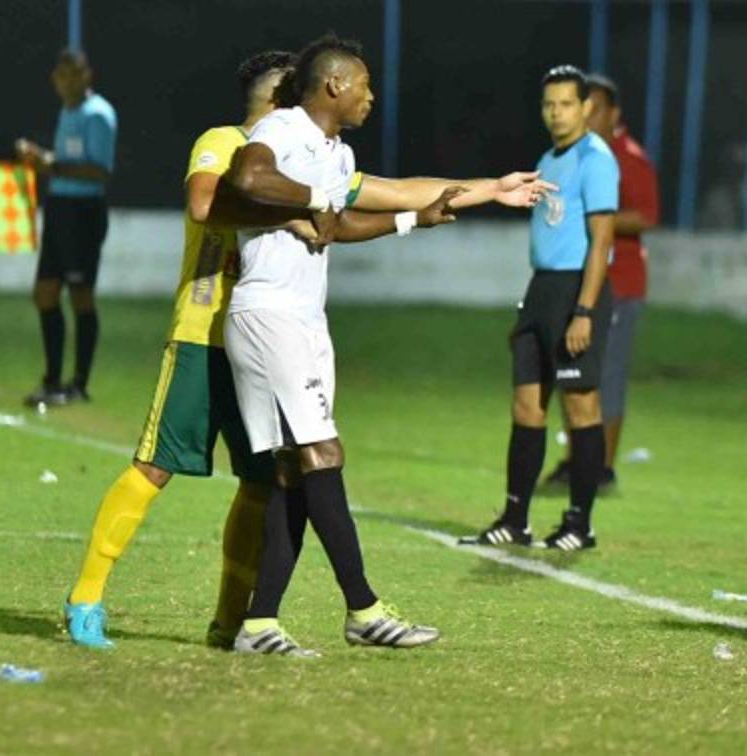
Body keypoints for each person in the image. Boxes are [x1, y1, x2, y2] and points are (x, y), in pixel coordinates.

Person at [222, 34, 553, 655]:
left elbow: (389, 197)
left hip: (302, 317)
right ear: (335, 86)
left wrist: (488, 190)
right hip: (269, 314)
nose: (373, 96)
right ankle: (363, 609)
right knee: (323, 453)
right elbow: (248, 177)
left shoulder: (334, 153)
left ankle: (259, 623)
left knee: (295, 471)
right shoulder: (287, 128)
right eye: (365, 85)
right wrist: (317, 199)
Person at [64, 51, 308, 650]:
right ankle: (85, 600)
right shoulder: (222, 141)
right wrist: (295, 212)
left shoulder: (287, 159)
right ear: (276, 97)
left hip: (259, 341)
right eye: (297, 95)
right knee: (155, 466)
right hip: (203, 333)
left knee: (261, 480)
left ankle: (228, 620)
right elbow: (204, 202)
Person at [461, 64, 619, 551]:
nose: (556, 113)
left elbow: (601, 242)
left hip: (576, 291)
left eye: (566, 104)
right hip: (541, 291)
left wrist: (584, 312)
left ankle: (580, 523)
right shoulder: (547, 159)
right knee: (526, 406)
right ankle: (515, 519)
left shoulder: (596, 158)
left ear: (586, 106)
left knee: (580, 407)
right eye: (549, 104)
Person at [541, 73, 659, 491]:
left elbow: (646, 216)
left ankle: (602, 467)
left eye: (595, 108)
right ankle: (578, 461)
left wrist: (598, 215)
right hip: (577, 279)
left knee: (606, 377)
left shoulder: (628, 157)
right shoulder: (575, 155)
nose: (587, 115)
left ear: (614, 113)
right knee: (572, 375)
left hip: (621, 283)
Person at [16, 49, 118, 407]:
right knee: (45, 293)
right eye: (62, 75)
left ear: (87, 75)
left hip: (83, 212)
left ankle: (78, 383)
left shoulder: (99, 114)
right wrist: (42, 160)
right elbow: (65, 161)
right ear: (55, 80)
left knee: (80, 296)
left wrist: (49, 164)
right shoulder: (67, 110)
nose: (67, 82)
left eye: (74, 74)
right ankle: (52, 380)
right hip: (59, 210)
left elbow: (99, 171)